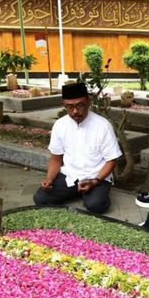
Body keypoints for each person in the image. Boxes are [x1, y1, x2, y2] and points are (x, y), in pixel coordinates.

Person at [33, 82, 122, 213]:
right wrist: (49, 179)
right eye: (69, 107)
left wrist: (95, 181)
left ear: (88, 102)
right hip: (70, 175)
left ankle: (89, 193)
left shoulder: (103, 125)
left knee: (96, 206)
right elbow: (56, 158)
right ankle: (76, 191)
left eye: (80, 105)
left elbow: (111, 160)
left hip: (96, 177)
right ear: (64, 105)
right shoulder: (60, 125)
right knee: (40, 199)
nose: (75, 111)